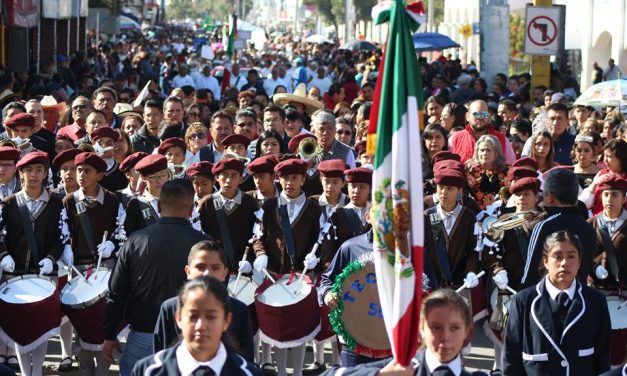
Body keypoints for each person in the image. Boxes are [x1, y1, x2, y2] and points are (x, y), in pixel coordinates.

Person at [102, 179, 212, 375]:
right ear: (190, 210)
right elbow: (217, 293)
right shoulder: (205, 245)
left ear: (159, 206)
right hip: (190, 337)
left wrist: (109, 334)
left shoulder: (135, 241)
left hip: (145, 334)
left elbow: (116, 292)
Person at [0, 151, 71, 376]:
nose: (33, 175)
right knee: (20, 327)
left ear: (45, 173)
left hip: (44, 275)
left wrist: (51, 259)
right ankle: (24, 371)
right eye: (28, 170)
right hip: (15, 274)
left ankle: (38, 372)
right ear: (20, 174)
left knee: (40, 328)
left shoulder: (56, 203)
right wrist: (3, 255)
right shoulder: (8, 203)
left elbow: (61, 236)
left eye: (38, 170)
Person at [250, 158, 321, 376]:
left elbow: (318, 237)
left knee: (298, 328)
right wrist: (260, 254)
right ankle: (280, 371)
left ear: (302, 179)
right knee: (277, 329)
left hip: (300, 276)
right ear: (278, 179)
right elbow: (257, 236)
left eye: (295, 178)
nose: (289, 183)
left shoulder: (313, 207)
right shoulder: (269, 206)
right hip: (273, 274)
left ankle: (298, 372)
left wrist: (315, 258)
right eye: (285, 178)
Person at [504, 231, 611, 376]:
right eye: (557, 256)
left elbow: (603, 356)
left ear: (579, 262)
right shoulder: (524, 300)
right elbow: (511, 355)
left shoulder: (595, 301)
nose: (564, 263)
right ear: (545, 261)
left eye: (571, 256)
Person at [320, 289, 487, 376]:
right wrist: (379, 374)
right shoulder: (401, 369)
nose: (445, 338)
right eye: (435, 327)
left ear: (468, 332)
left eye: (455, 328)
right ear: (421, 329)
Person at [62, 152, 124, 375]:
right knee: (83, 321)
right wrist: (65, 248)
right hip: (78, 268)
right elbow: (63, 231)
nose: (80, 175)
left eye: (87, 171)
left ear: (100, 175)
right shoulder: (69, 201)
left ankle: (103, 369)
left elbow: (121, 230)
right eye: (78, 170)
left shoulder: (113, 200)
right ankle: (86, 368)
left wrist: (113, 245)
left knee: (105, 319)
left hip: (106, 267)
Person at [133, 276, 261, 376]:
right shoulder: (148, 371)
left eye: (211, 317)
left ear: (226, 321)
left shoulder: (248, 373)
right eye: (193, 316)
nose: (201, 325)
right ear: (179, 318)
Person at [153, 240, 254, 362]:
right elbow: (161, 356)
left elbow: (246, 359)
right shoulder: (169, 308)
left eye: (215, 268)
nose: (207, 273)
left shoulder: (239, 309)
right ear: (188, 271)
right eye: (200, 267)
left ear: (224, 273)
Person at [520, 168, 597, 288]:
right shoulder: (589, 228)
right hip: (578, 297)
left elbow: (531, 272)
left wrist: (521, 300)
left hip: (546, 299)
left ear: (550, 196)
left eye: (544, 195)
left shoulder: (544, 226)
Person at [198, 157, 258, 270]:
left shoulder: (250, 202)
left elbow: (256, 235)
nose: (228, 180)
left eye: (234, 175)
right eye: (224, 175)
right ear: (216, 178)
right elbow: (200, 234)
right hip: (214, 266)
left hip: (244, 266)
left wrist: (251, 261)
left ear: (241, 179)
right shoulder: (207, 202)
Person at [587, 176, 627, 296]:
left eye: (615, 195)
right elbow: (583, 254)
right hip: (595, 289)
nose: (609, 199)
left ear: (624, 199)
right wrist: (593, 268)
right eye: (606, 195)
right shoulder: (590, 223)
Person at [123, 154, 170, 235]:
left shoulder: (178, 198)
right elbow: (130, 234)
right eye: (153, 177)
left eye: (163, 175)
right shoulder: (136, 203)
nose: (159, 181)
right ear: (143, 178)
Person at [464, 135, 507, 210]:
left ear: (496, 152)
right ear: (477, 152)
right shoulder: (469, 171)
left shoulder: (506, 172)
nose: (484, 153)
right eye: (482, 150)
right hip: (474, 214)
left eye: (488, 150)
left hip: (502, 214)